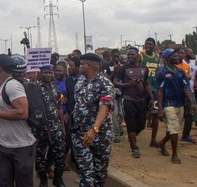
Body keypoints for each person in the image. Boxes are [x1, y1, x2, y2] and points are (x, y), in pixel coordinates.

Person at [0, 54, 36, 187]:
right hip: (4, 145)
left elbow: (22, 112)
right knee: (3, 182)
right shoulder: (2, 85)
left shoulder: (12, 85)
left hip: (21, 146)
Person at [72, 53, 114, 187]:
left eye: (81, 64)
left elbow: (104, 107)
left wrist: (94, 129)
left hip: (100, 135)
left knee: (100, 174)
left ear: (88, 65)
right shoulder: (80, 81)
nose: (79, 67)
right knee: (86, 173)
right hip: (80, 135)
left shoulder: (105, 83)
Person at [157, 48, 196, 164]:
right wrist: (159, 108)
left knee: (173, 129)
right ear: (167, 58)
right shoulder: (162, 73)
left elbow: (186, 88)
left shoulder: (180, 72)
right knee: (174, 130)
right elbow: (160, 91)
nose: (177, 57)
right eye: (174, 56)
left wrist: (192, 102)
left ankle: (162, 143)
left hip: (180, 104)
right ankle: (174, 154)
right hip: (168, 104)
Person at [113, 47, 153, 158]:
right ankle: (134, 147)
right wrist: (128, 84)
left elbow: (146, 84)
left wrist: (151, 97)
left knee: (141, 125)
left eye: (132, 54)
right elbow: (115, 83)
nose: (129, 56)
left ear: (137, 55)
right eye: (128, 54)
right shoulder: (123, 68)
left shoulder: (144, 68)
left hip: (141, 100)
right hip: (128, 99)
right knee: (131, 124)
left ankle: (132, 136)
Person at [34, 65, 67, 187]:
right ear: (40, 73)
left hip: (55, 127)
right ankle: (43, 180)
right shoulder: (35, 88)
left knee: (59, 153)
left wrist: (62, 127)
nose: (48, 75)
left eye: (50, 73)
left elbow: (59, 108)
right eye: (46, 72)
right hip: (40, 128)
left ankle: (58, 179)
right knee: (39, 155)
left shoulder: (56, 89)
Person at [140, 37, 160, 147]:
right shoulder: (141, 56)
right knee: (142, 114)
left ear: (154, 45)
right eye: (146, 44)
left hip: (155, 90)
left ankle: (153, 140)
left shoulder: (157, 57)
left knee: (155, 114)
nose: (148, 46)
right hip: (143, 90)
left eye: (150, 44)